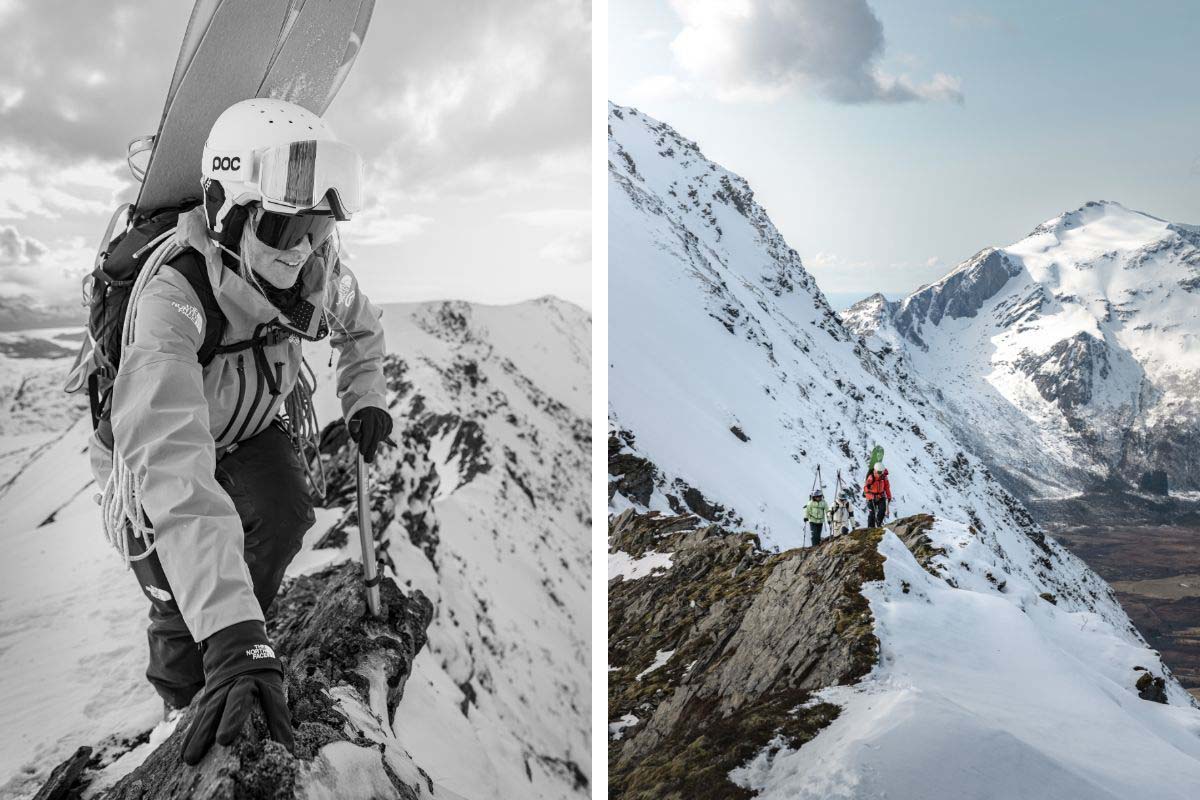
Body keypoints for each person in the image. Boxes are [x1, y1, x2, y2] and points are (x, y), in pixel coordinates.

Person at [86, 98, 392, 765]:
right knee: (172, 589)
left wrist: (365, 397)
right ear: (229, 211)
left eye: (318, 226)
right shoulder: (174, 299)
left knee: (284, 517)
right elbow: (169, 459)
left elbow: (364, 328)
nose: (306, 248)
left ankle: (239, 636)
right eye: (285, 230)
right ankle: (182, 700)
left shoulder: (317, 274)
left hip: (251, 427)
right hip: (151, 454)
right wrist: (229, 635)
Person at [864, 462, 892, 527]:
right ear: (875, 471)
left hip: (881, 496)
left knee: (882, 510)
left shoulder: (884, 477)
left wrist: (889, 496)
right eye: (879, 472)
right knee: (872, 514)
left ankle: (879, 524)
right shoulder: (871, 477)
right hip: (871, 498)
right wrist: (869, 490)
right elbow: (865, 489)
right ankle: (871, 528)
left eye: (882, 472)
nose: (881, 473)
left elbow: (887, 487)